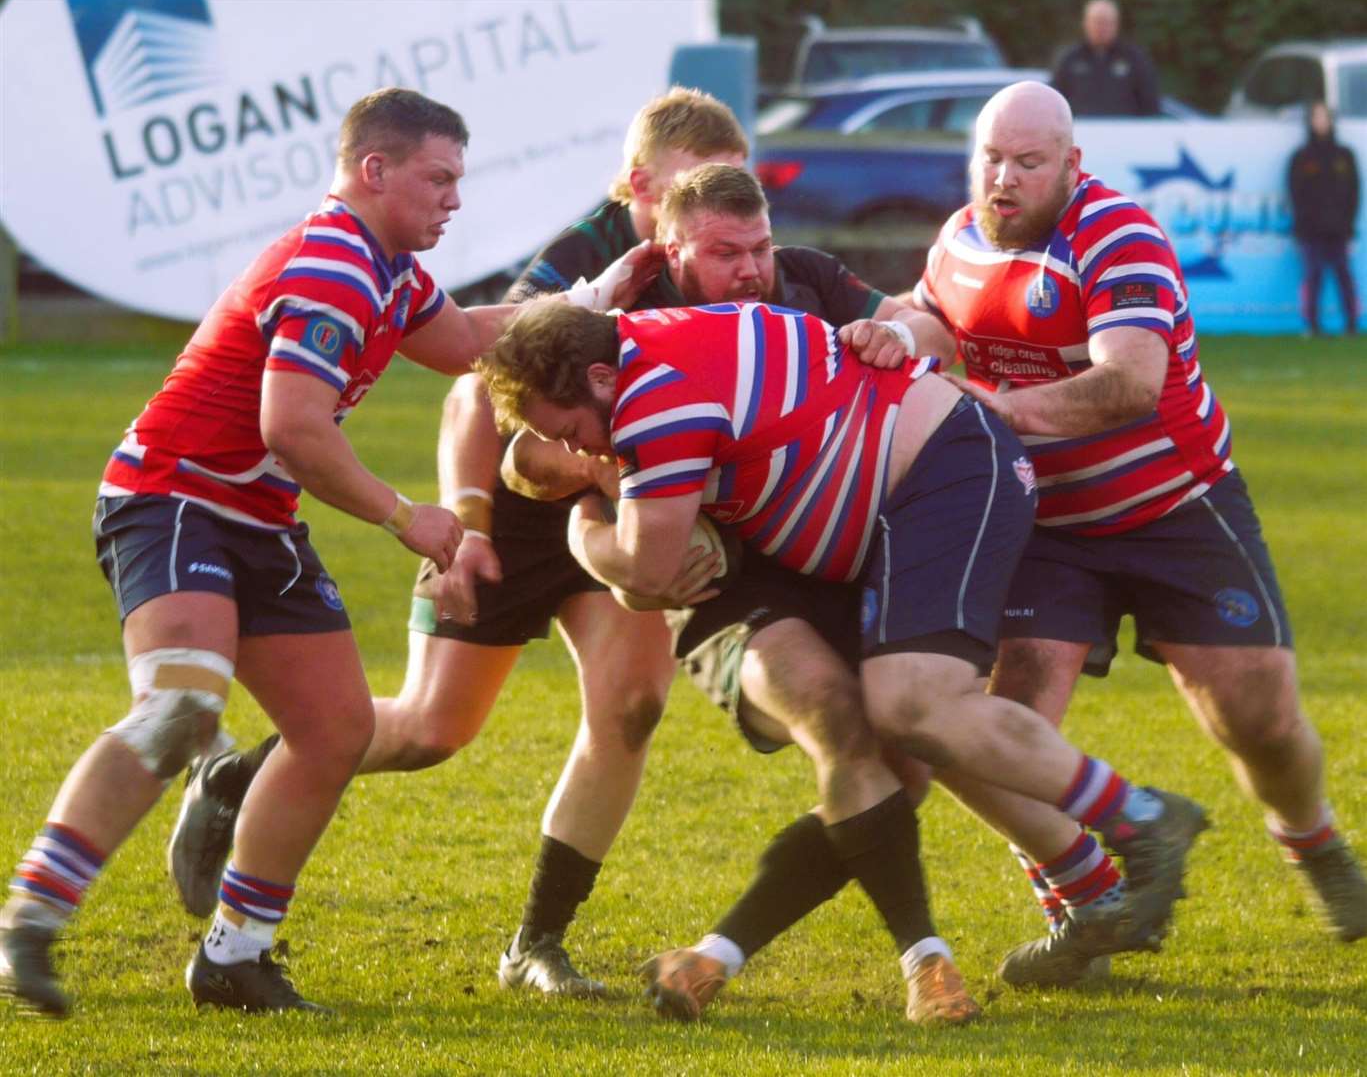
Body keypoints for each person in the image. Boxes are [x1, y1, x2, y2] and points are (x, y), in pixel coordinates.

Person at [478, 290, 1209, 1020]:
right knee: (897, 738)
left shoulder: (654, 395)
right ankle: (1086, 889)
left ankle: (1140, 818)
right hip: (869, 524)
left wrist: (580, 529)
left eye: (574, 431)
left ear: (600, 381)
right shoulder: (644, 341)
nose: (581, 449)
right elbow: (562, 492)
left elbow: (645, 572)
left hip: (936, 481)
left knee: (912, 707)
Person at [164, 88, 746, 1001]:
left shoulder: (735, 252)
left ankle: (536, 945)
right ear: (637, 186)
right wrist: (458, 520)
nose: (707, 208)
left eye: (729, 189)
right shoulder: (585, 254)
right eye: (686, 191)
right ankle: (238, 776)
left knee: (631, 704)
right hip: (511, 516)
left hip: (610, 507)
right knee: (430, 731)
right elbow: (475, 384)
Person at [0, 87, 515, 1017]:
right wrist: (412, 519)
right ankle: (29, 920)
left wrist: (608, 310)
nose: (453, 199)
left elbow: (466, 342)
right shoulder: (333, 265)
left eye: (456, 182)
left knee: (335, 731)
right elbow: (299, 429)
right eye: (438, 178)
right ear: (375, 170)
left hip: (255, 514)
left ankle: (234, 957)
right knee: (181, 707)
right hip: (174, 499)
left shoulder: (387, 266)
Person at [901, 80, 1366, 987]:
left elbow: (1127, 385)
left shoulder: (1116, 235)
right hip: (1044, 524)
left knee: (1258, 720)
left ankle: (1316, 848)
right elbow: (933, 312)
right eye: (990, 158)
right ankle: (1086, 907)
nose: (1002, 179)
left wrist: (991, 411)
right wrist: (899, 332)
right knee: (997, 730)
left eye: (1027, 164)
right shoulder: (960, 237)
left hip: (1173, 509)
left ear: (1071, 165)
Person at [1288, 100, 1360, 337]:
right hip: (1311, 231)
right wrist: (1301, 226)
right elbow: (1295, 194)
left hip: (1339, 229)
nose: (1320, 122)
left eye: (1324, 117)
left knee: (1344, 277)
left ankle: (1351, 324)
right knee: (1313, 276)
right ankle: (1313, 326)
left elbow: (1354, 192)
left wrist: (1348, 227)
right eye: (1316, 117)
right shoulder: (1301, 157)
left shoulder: (1344, 155)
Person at [1050, 0, 1159, 118]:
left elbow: (1150, 105)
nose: (1102, 28)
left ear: (1116, 24)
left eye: (1107, 22)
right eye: (1097, 22)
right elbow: (1054, 103)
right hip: (1079, 132)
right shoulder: (1069, 59)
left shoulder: (1135, 59)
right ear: (1085, 23)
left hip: (1125, 132)